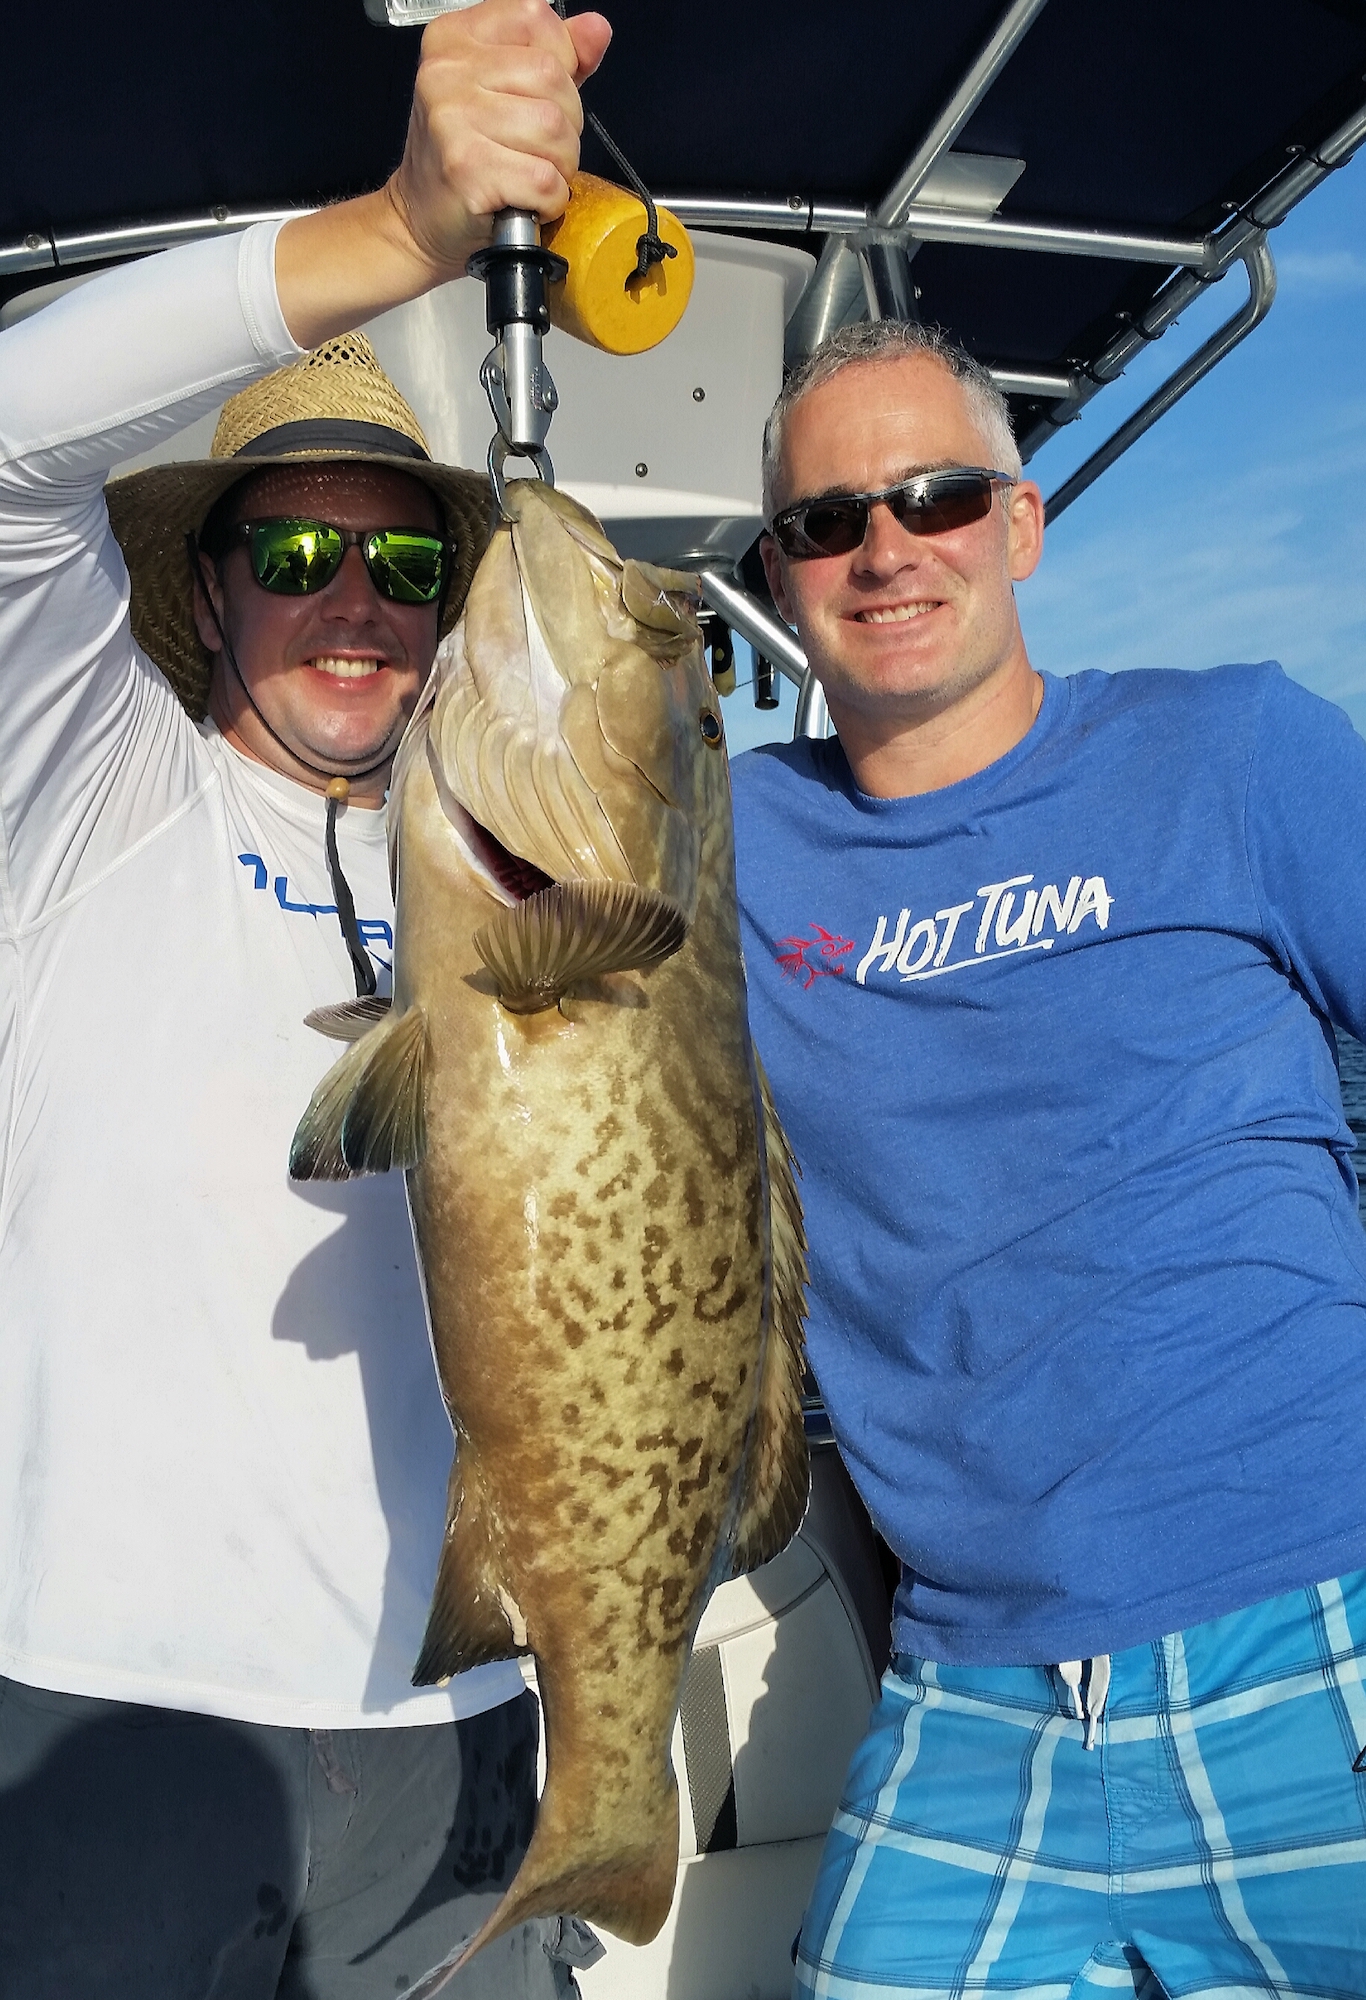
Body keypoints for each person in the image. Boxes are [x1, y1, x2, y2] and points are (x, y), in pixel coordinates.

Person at [0, 3, 611, 1994]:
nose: (352, 598)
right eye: (292, 548)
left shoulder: (523, 868)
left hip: (467, 1727)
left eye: (404, 563)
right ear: (207, 589)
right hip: (114, 1729)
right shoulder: (85, 782)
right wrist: (404, 226)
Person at [728, 317, 1366, 1998]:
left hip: (1323, 1623)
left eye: (935, 497)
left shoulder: (1237, 748)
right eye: (827, 521)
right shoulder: (723, 853)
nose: (885, 550)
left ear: (1017, 524)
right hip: (972, 1692)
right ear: (780, 574)